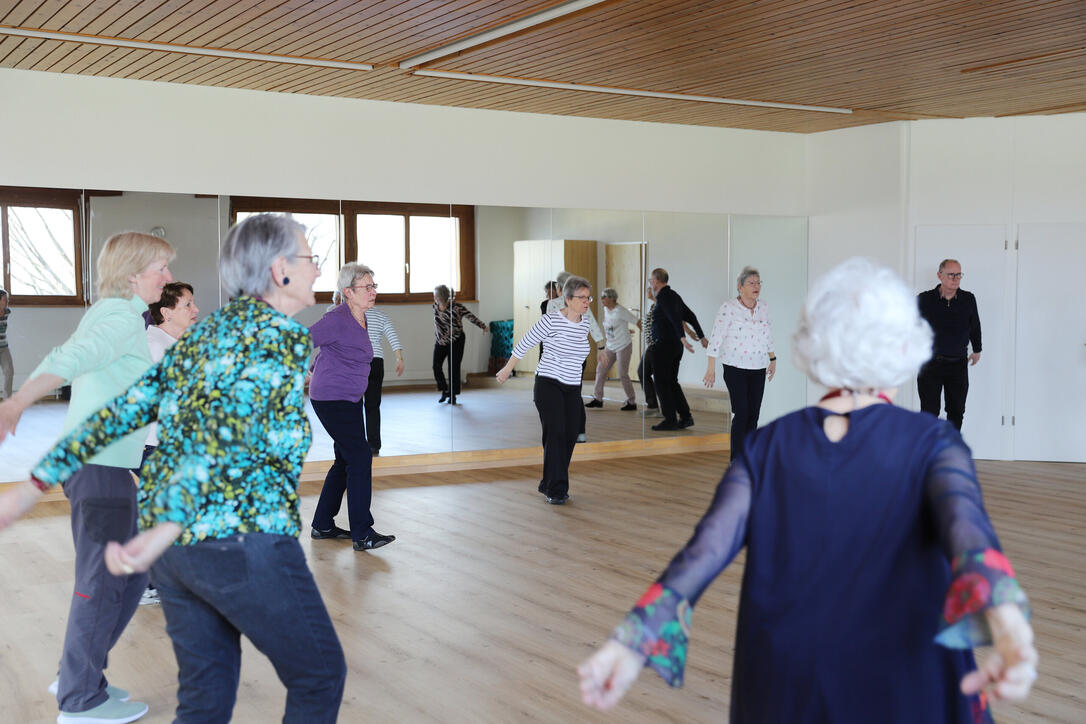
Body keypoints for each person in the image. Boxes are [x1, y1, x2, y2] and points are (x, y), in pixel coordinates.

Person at [578, 257, 1037, 723]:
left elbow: (704, 551)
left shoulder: (769, 447)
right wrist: (1009, 626)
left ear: (814, 346)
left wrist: (629, 644)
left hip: (789, 676)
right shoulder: (932, 443)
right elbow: (970, 536)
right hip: (902, 673)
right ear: (903, 347)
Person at [0, 214, 348, 723]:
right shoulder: (279, 340)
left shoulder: (210, 334)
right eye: (311, 259)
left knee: (206, 695)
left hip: (179, 558)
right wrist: (167, 525)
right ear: (280, 270)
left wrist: (37, 481)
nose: (318, 272)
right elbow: (230, 447)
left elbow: (132, 405)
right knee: (319, 675)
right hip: (242, 540)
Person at [0, 231, 175, 723]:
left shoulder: (116, 314)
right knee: (103, 583)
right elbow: (68, 359)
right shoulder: (119, 317)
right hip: (96, 468)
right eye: (160, 267)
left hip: (105, 466)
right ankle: (79, 700)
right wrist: (17, 401)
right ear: (133, 273)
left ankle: (80, 675)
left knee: (132, 573)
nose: (166, 276)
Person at [309, 262, 395, 551]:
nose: (373, 292)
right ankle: (363, 532)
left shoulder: (363, 316)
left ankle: (323, 524)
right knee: (359, 457)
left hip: (348, 397)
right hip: (333, 398)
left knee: (345, 459)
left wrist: (314, 363)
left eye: (374, 286)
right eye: (366, 287)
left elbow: (328, 349)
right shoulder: (337, 317)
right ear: (348, 292)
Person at [496, 276, 593, 504]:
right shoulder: (551, 321)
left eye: (589, 298)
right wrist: (507, 369)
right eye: (582, 298)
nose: (587, 302)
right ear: (567, 299)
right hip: (548, 383)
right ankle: (556, 489)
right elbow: (525, 342)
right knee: (556, 432)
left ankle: (548, 481)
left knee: (570, 435)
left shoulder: (585, 323)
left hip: (572, 387)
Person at [139, 281, 200, 606]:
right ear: (165, 312)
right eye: (187, 305)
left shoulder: (178, 342)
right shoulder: (154, 346)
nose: (195, 310)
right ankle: (149, 584)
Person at [703, 266, 776, 460]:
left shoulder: (764, 307)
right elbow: (716, 337)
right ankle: (735, 460)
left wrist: (773, 358)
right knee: (742, 413)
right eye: (751, 283)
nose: (756, 286)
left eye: (758, 282)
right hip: (735, 367)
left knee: (753, 415)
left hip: (758, 366)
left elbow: (767, 333)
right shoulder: (729, 308)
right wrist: (711, 368)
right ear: (740, 287)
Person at [917, 259, 981, 431]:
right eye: (951, 274)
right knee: (929, 412)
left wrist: (977, 349)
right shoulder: (924, 299)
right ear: (940, 275)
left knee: (956, 411)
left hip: (958, 364)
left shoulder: (968, 299)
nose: (955, 278)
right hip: (930, 365)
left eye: (958, 274)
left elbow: (974, 325)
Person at [647, 267, 707, 431]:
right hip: (674, 346)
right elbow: (691, 316)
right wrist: (701, 336)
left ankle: (670, 419)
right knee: (672, 382)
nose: (650, 283)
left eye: (651, 280)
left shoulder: (665, 297)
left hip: (664, 346)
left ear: (656, 281)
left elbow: (674, 317)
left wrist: (683, 337)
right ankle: (686, 417)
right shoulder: (673, 295)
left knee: (661, 383)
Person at [547, 271, 604, 441]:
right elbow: (592, 324)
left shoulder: (553, 304)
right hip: (577, 358)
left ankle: (563, 431)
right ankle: (579, 432)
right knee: (574, 394)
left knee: (558, 395)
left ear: (559, 288)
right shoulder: (581, 302)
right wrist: (601, 346)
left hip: (559, 358)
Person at [586, 288, 640, 410]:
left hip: (623, 346)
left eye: (604, 297)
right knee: (600, 369)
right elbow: (612, 326)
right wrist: (624, 330)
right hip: (610, 346)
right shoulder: (606, 309)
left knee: (622, 374)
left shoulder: (621, 311)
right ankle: (598, 399)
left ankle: (632, 402)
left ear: (611, 298)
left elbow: (637, 321)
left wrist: (649, 336)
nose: (601, 299)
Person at [432, 284, 487, 404]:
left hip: (456, 341)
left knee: (454, 368)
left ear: (442, 296)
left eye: (436, 295)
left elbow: (470, 317)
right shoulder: (435, 306)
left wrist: (482, 326)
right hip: (441, 341)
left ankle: (453, 395)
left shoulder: (456, 307)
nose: (434, 297)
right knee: (436, 366)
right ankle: (444, 390)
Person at [361, 305, 404, 456]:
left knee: (355, 404)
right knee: (373, 405)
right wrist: (399, 358)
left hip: (357, 362)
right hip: (377, 362)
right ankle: (374, 445)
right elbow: (393, 336)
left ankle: (358, 443)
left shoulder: (353, 312)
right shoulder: (380, 315)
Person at [0, 289, 13, 400]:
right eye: (4, 299)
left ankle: (7, 401)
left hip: (4, 347)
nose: (7, 301)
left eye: (7, 299)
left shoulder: (7, 312)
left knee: (9, 372)